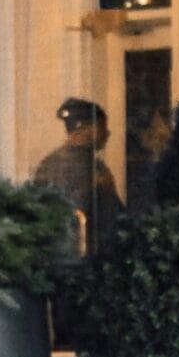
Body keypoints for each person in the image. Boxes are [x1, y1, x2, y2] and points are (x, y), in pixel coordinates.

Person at [31, 98, 125, 252]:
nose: (106, 133)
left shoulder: (93, 164)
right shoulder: (60, 164)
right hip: (74, 249)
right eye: (100, 126)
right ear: (83, 128)